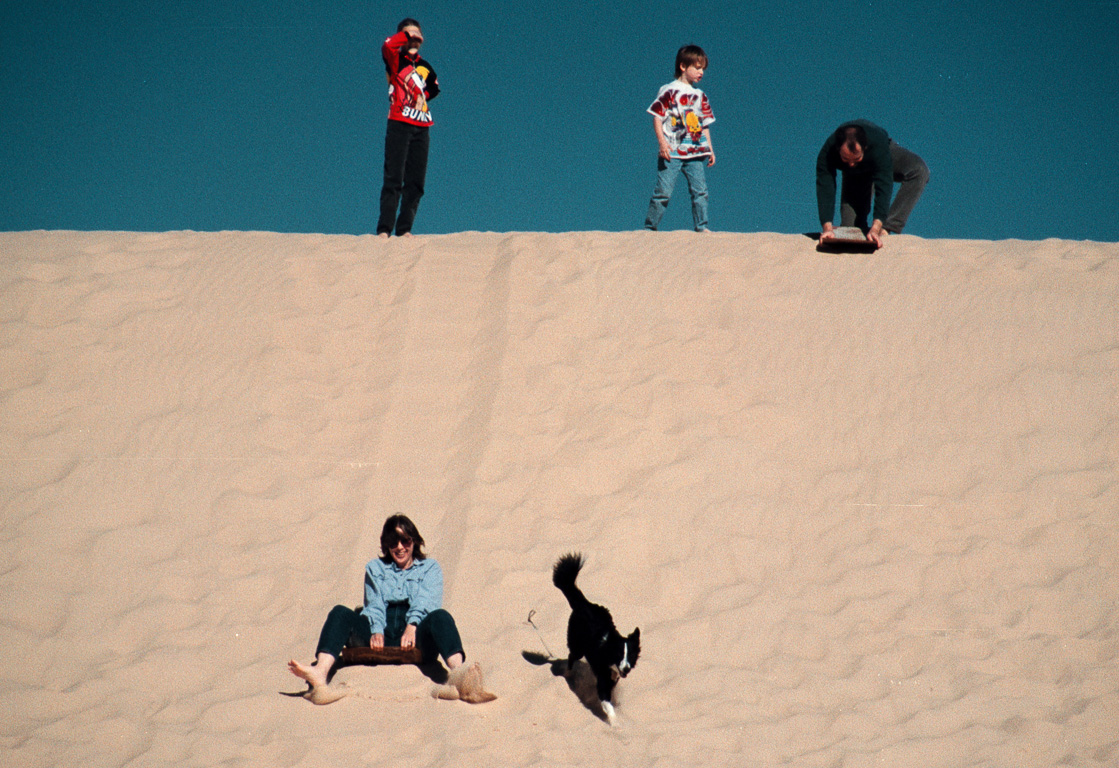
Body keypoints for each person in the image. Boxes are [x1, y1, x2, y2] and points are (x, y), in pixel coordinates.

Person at [288, 515, 492, 703]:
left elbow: (426, 600)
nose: (400, 547)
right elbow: (374, 602)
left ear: (415, 542)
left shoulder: (430, 568)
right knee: (340, 613)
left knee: (441, 617)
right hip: (380, 634)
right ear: (386, 545)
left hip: (416, 637)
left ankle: (458, 675)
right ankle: (320, 673)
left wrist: (412, 625)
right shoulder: (375, 568)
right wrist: (376, 629)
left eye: (406, 541)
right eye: (393, 542)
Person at [816, 119, 929, 249]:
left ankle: (888, 227)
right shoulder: (827, 152)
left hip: (883, 156)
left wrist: (877, 227)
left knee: (919, 171)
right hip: (854, 176)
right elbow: (825, 187)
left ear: (865, 147)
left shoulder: (878, 146)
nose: (852, 164)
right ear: (838, 149)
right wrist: (827, 227)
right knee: (850, 231)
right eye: (846, 159)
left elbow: (884, 185)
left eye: (856, 159)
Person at [377, 19, 439, 238]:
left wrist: (423, 98)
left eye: (417, 34)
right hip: (399, 122)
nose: (414, 38)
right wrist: (405, 36)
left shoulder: (425, 66)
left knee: (416, 182)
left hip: (422, 125)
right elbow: (387, 46)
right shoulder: (396, 58)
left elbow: (434, 87)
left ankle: (404, 230)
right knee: (394, 177)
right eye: (409, 34)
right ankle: (384, 229)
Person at [644, 44, 716, 232]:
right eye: (697, 67)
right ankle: (650, 229)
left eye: (703, 69)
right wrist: (662, 143)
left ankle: (702, 227)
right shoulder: (668, 90)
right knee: (663, 192)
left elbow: (704, 124)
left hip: (694, 152)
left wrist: (710, 149)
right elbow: (657, 118)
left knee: (700, 191)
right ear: (683, 66)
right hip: (672, 151)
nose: (701, 72)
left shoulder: (701, 96)